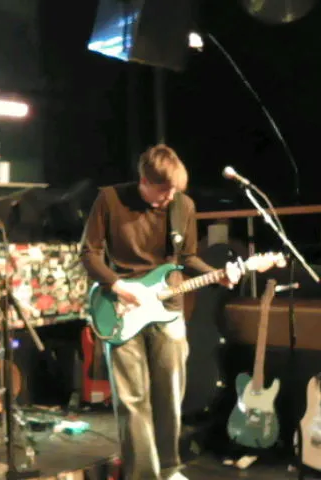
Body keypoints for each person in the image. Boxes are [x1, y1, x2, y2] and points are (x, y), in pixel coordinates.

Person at [80, 144, 242, 480]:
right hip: (122, 306)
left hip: (169, 308)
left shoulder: (184, 206)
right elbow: (88, 253)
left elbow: (188, 257)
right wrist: (117, 285)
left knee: (170, 394)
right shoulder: (109, 200)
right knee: (132, 399)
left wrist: (217, 274)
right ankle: (143, 475)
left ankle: (169, 469)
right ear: (143, 180)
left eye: (174, 191)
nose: (169, 197)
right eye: (163, 190)